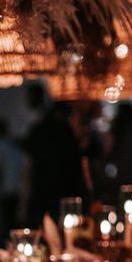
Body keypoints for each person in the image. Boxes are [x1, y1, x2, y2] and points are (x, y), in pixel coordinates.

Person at [21, 82, 86, 223]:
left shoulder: (41, 130)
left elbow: (29, 168)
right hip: (62, 195)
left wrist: (24, 204)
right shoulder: (64, 130)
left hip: (48, 197)